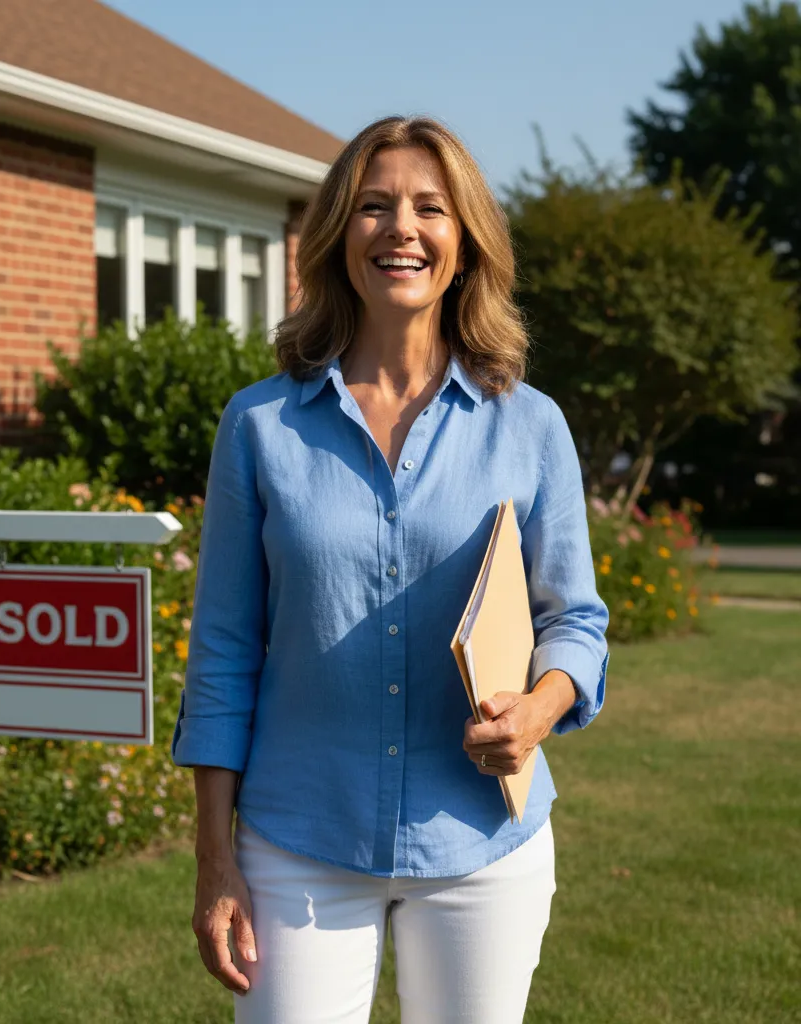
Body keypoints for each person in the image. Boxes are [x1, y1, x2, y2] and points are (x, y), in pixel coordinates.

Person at [171, 114, 609, 1024]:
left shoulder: (531, 426)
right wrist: (216, 861)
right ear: (338, 237)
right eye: (373, 207)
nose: (400, 228)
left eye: (428, 208)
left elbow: (576, 620)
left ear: (464, 243)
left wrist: (536, 710)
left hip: (483, 844)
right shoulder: (260, 427)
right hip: (296, 845)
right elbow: (222, 652)